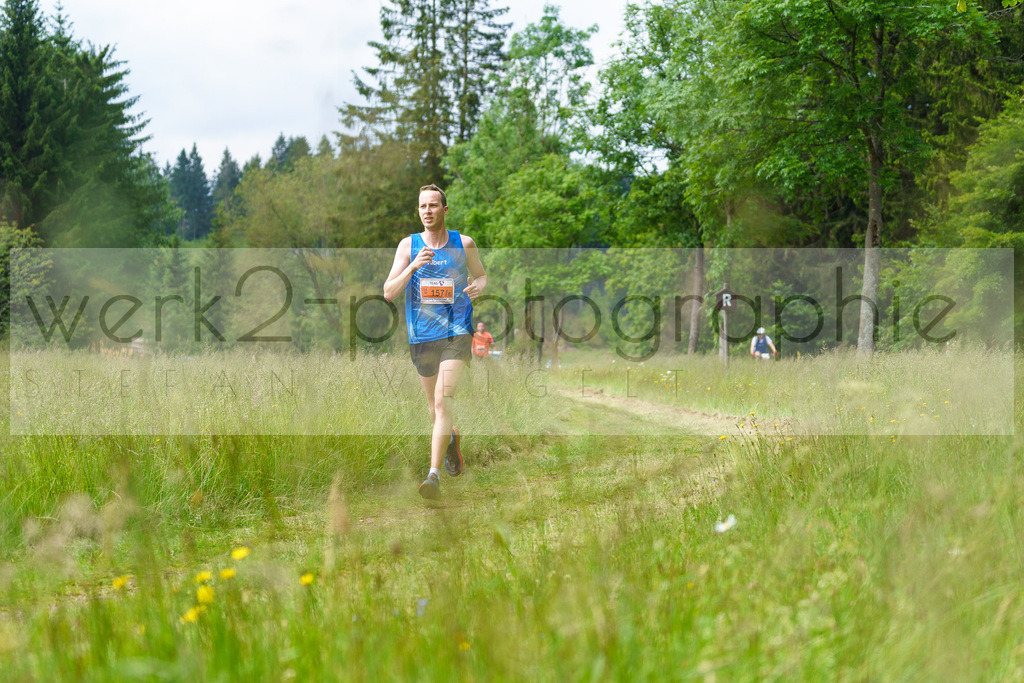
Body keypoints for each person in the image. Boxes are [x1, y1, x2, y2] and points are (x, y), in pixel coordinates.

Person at [383, 184, 487, 500]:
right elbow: (388, 292)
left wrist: (479, 287)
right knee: (434, 408)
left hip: (457, 331)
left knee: (442, 402)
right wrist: (413, 266)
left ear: (444, 210)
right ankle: (451, 440)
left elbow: (481, 275)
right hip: (422, 336)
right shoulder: (408, 246)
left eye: (433, 205)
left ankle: (433, 475)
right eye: (422, 206)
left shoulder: (463, 243)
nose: (427, 211)